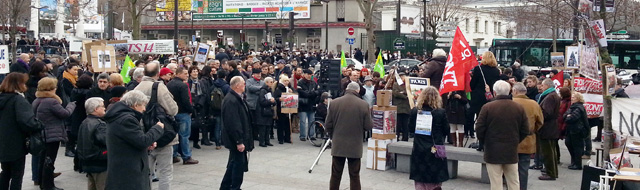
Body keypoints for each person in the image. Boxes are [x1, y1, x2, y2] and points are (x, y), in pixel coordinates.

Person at [104, 90, 164, 190]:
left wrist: (147, 145)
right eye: (143, 105)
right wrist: (157, 128)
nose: (144, 109)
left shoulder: (119, 116)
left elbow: (132, 140)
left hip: (125, 168)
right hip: (129, 172)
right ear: (136, 105)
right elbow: (142, 141)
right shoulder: (126, 119)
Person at [476, 80, 529, 190]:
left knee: (496, 182)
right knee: (514, 181)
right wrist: (516, 140)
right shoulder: (518, 107)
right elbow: (525, 129)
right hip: (511, 149)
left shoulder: (487, 107)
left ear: (494, 93)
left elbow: (479, 129)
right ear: (509, 91)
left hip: (492, 150)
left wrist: (485, 142)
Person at [325, 82, 373, 190]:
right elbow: (368, 126)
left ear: (347, 89)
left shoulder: (334, 103)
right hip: (355, 144)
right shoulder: (363, 104)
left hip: (338, 143)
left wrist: (333, 136)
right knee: (355, 175)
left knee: (335, 174)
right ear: (358, 91)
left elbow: (328, 124)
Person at [0, 73, 43, 190]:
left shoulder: (2, 98)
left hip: (3, 142)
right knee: (17, 175)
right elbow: (27, 122)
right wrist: (39, 125)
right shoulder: (18, 100)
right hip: (16, 143)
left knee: (5, 172)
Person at [32, 77, 77, 190]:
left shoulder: (37, 100)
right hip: (52, 134)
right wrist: (71, 105)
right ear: (51, 88)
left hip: (42, 134)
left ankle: (43, 183)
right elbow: (65, 114)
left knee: (43, 160)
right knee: (49, 160)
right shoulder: (51, 101)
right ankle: (48, 185)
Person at [409, 86, 449, 190]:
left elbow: (410, 128)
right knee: (434, 179)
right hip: (435, 148)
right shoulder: (440, 112)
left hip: (419, 148)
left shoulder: (415, 111)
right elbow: (447, 130)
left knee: (419, 179)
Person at [220, 76, 255, 190]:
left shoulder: (238, 98)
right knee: (237, 166)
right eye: (243, 84)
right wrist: (239, 141)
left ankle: (225, 186)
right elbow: (233, 122)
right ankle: (234, 187)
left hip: (240, 137)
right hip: (236, 139)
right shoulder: (231, 100)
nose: (245, 85)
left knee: (233, 164)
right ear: (237, 85)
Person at [512, 83, 543, 190]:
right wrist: (532, 130)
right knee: (524, 169)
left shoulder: (512, 102)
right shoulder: (534, 104)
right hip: (528, 141)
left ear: (515, 91)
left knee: (510, 169)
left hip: (511, 141)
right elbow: (540, 122)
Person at [167, 67, 199, 165]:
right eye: (185, 73)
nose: (187, 75)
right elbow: (186, 100)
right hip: (183, 112)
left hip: (173, 112)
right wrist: (191, 110)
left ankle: (174, 155)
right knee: (184, 135)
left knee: (175, 135)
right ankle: (187, 156)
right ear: (178, 74)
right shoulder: (183, 85)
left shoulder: (169, 84)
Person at [76, 97, 108, 190]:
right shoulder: (99, 124)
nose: (104, 108)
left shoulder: (85, 122)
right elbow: (106, 141)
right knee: (102, 186)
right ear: (96, 109)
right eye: (102, 106)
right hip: (99, 161)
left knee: (92, 185)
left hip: (88, 161)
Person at [469, 52, 500, 137]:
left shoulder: (478, 69)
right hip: (490, 96)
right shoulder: (496, 71)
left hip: (478, 96)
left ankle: (472, 133)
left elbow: (472, 84)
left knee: (477, 116)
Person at [537, 78, 561, 180]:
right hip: (551, 127)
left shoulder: (550, 97)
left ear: (547, 86)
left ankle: (550, 173)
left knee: (548, 152)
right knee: (550, 150)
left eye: (542, 85)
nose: (541, 87)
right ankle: (552, 171)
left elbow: (546, 113)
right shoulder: (552, 95)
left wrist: (538, 117)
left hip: (547, 127)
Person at [563, 92, 590, 170]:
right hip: (571, 130)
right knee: (569, 144)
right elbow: (565, 115)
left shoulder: (579, 108)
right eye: (572, 97)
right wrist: (567, 116)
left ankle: (577, 164)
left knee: (577, 147)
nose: (572, 98)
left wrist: (568, 116)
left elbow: (571, 118)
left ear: (578, 98)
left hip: (577, 130)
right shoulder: (573, 107)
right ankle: (574, 162)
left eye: (574, 97)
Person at [297, 69, 320, 141]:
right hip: (303, 104)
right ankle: (302, 136)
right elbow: (302, 93)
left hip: (311, 104)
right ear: (304, 74)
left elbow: (317, 92)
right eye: (308, 74)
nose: (309, 76)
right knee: (303, 121)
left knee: (311, 121)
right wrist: (311, 93)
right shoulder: (300, 83)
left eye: (310, 75)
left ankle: (311, 135)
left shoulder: (314, 83)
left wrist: (311, 93)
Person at [212, 70, 231, 149]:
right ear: (225, 77)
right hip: (224, 108)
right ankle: (223, 141)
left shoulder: (213, 85)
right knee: (223, 126)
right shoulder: (226, 86)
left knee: (217, 126)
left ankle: (217, 143)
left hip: (215, 108)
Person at [256, 77, 277, 147]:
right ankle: (262, 141)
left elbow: (274, 101)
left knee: (268, 126)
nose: (272, 83)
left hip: (269, 111)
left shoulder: (270, 90)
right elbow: (261, 101)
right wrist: (269, 101)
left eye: (272, 82)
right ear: (266, 83)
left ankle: (267, 141)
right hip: (263, 111)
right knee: (263, 127)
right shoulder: (263, 90)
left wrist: (273, 101)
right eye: (270, 82)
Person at [274, 75, 293, 144]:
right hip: (281, 108)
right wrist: (279, 99)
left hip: (288, 108)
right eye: (285, 81)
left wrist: (291, 92)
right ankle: (281, 138)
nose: (286, 82)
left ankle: (287, 137)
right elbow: (275, 98)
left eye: (287, 81)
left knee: (287, 124)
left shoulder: (288, 88)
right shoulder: (278, 89)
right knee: (281, 124)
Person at [393, 70, 411, 141]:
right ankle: (396, 137)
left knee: (405, 125)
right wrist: (405, 96)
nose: (402, 78)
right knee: (398, 124)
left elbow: (410, 93)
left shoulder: (408, 85)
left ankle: (405, 138)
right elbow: (395, 93)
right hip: (398, 108)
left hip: (406, 108)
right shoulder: (395, 84)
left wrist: (403, 93)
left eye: (403, 76)